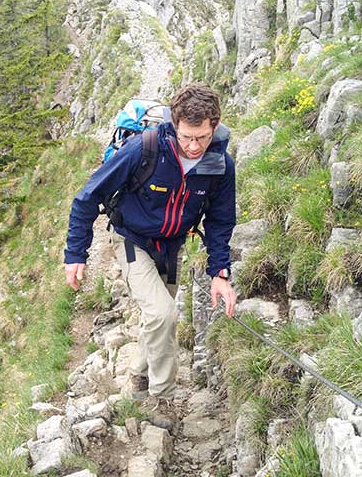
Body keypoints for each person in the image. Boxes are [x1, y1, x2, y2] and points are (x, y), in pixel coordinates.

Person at [64, 83, 237, 413]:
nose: (193, 145)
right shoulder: (144, 149)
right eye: (186, 136)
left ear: (214, 125)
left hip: (171, 246)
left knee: (159, 318)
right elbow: (87, 197)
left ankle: (139, 379)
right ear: (174, 124)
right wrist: (76, 254)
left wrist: (219, 273)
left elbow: (220, 221)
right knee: (162, 313)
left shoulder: (221, 166)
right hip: (131, 239)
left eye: (201, 137)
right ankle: (162, 398)